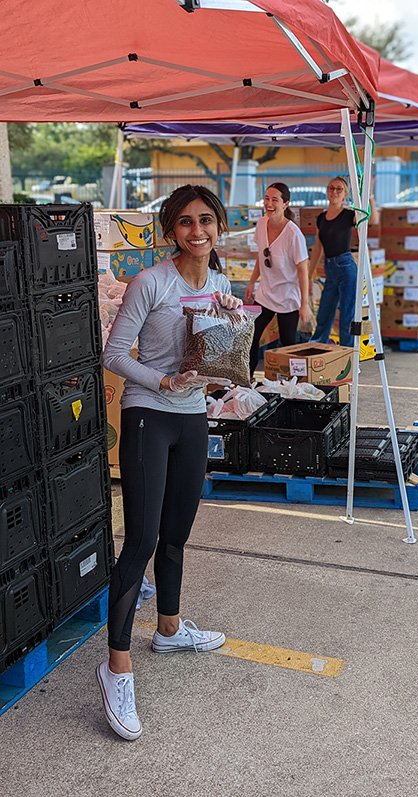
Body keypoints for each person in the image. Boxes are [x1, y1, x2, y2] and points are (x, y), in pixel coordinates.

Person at [98, 185, 243, 741]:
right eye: (185, 222)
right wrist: (161, 380)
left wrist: (230, 321)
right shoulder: (150, 282)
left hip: (192, 416)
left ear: (219, 225)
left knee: (178, 535)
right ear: (170, 230)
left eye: (206, 220)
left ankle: (170, 627)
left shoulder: (222, 285)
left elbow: (220, 357)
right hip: (147, 416)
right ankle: (116, 667)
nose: (197, 231)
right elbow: (114, 355)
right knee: (140, 541)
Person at [244, 182, 311, 377]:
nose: (269, 203)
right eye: (266, 198)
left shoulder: (293, 234)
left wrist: (305, 304)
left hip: (288, 298)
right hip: (265, 294)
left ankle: (294, 383)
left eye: (275, 200)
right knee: (251, 336)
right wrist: (251, 282)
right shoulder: (262, 223)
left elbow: (303, 270)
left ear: (286, 204)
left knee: (288, 343)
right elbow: (261, 256)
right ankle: (246, 381)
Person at [309, 176, 378, 347]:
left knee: (347, 313)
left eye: (339, 189)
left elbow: (373, 220)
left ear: (345, 194)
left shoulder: (349, 214)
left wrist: (369, 196)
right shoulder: (322, 217)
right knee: (325, 311)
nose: (334, 192)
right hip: (330, 268)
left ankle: (348, 355)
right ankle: (318, 347)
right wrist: (309, 274)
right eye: (331, 188)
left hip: (346, 267)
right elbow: (318, 247)